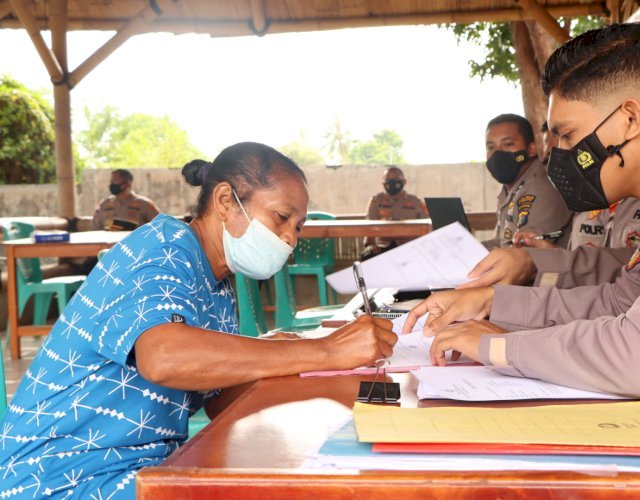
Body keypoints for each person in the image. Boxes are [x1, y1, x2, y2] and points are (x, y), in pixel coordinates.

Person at [404, 22, 640, 443]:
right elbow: (618, 301)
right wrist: (494, 303)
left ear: (628, 119)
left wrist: (498, 348)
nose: (560, 156)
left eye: (568, 134)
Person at [0, 143, 397, 498]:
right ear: (225, 199)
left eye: (296, 227)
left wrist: (298, 363)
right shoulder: (160, 249)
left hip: (141, 472)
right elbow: (164, 357)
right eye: (280, 218)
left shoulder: (217, 280)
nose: (290, 238)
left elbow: (218, 399)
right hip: (64, 479)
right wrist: (324, 352)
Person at [462, 196, 640, 289]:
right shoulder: (586, 203)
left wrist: (535, 262)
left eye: (568, 136)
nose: (562, 150)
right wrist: (552, 253)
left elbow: (636, 268)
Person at [483, 114, 571, 249]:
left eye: (508, 144)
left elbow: (525, 252)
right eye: (490, 147)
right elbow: (502, 243)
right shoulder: (513, 188)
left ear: (530, 149)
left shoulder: (539, 190)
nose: (497, 153)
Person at [362, 166, 428, 259]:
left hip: (409, 247)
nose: (392, 182)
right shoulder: (376, 201)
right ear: (383, 183)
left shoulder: (416, 202)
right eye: (388, 179)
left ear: (404, 181)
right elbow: (369, 225)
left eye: (396, 179)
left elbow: (426, 226)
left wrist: (420, 246)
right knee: (368, 256)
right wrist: (371, 244)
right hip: (382, 246)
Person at [92, 169, 161, 230]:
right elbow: (95, 228)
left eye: (115, 181)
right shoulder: (105, 204)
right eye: (111, 181)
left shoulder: (144, 204)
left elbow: (160, 225)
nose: (111, 184)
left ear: (127, 184)